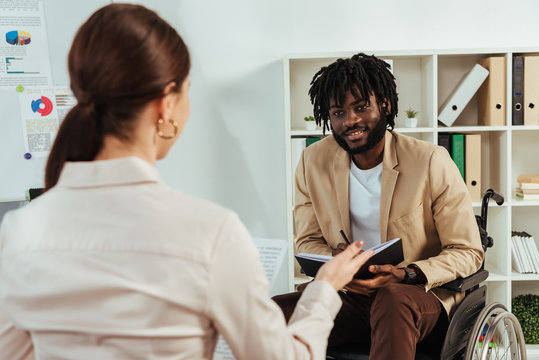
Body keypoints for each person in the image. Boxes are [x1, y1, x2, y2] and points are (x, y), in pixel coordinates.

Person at [0, 5, 375, 359]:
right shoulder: (210, 232)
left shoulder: (19, 230)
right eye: (187, 91)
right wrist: (325, 288)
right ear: (166, 104)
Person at [273, 53, 484, 359]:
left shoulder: (429, 161)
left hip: (415, 296)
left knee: (391, 300)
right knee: (273, 313)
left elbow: (468, 252)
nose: (350, 121)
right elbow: (308, 241)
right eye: (338, 112)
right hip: (351, 295)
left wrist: (407, 274)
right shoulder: (312, 161)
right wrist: (337, 263)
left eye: (361, 107)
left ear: (384, 104)